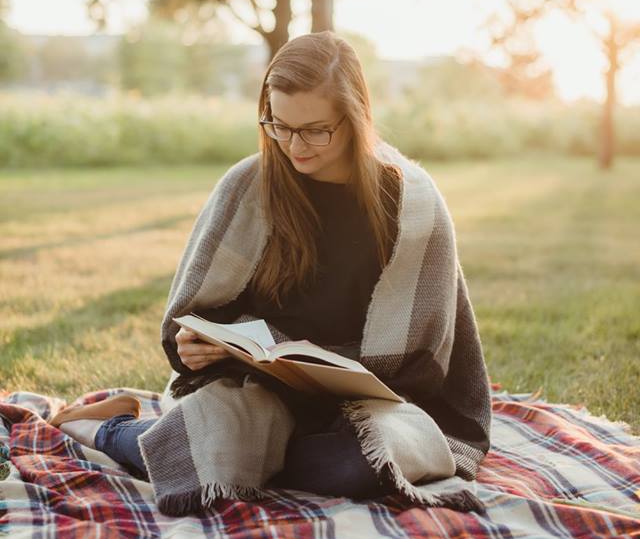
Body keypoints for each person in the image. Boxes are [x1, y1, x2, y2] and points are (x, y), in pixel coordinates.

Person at [51, 31, 491, 502]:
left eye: (315, 129)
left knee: (361, 465)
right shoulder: (247, 188)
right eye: (278, 125)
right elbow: (200, 315)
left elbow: (422, 355)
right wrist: (197, 345)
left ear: (355, 118)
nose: (294, 145)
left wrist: (326, 364)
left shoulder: (412, 204)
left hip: (375, 399)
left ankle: (216, 447)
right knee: (215, 450)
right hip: (261, 391)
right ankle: (106, 426)